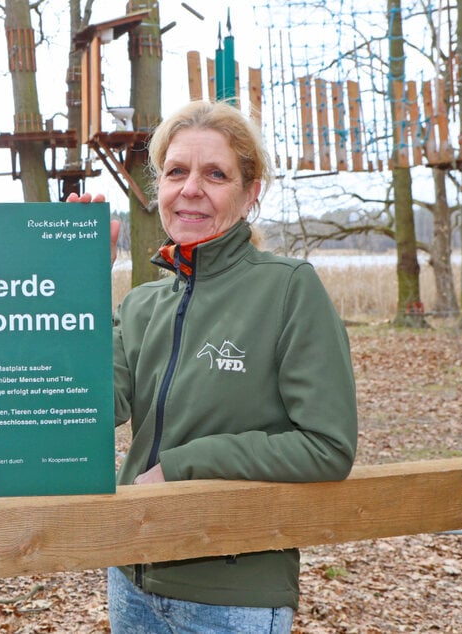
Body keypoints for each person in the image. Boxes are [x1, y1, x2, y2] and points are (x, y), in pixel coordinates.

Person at [105, 100, 358, 633]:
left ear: (250, 191)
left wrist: (183, 465)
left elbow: (327, 446)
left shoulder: (289, 289)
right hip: (131, 580)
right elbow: (93, 407)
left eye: (215, 174)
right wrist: (76, 280)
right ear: (160, 189)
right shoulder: (141, 304)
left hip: (233, 595)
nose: (191, 188)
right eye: (177, 172)